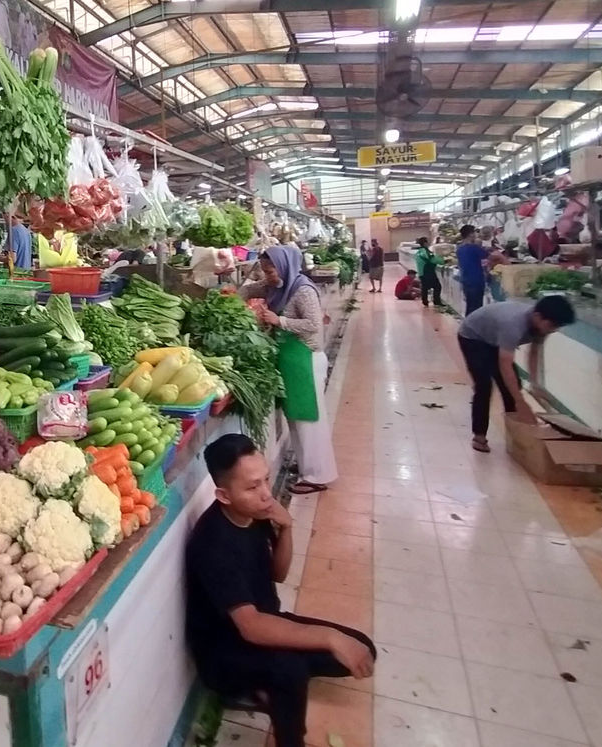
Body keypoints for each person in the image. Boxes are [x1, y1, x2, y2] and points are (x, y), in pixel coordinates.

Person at [185, 434, 375, 747]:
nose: (265, 494)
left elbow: (279, 574)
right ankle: (284, 730)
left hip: (265, 621)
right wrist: (329, 637)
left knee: (362, 646)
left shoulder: (256, 513)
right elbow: (251, 627)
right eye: (252, 486)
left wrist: (286, 529)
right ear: (223, 494)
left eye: (266, 480)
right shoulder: (213, 544)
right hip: (223, 652)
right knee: (290, 668)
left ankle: (267, 685)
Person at [240, 245, 337, 493]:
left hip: (305, 358)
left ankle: (316, 475)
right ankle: (307, 465)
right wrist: (234, 293)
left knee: (309, 419)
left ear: (284, 266)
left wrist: (279, 320)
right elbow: (252, 288)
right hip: (292, 359)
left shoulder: (302, 290)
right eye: (265, 271)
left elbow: (313, 325)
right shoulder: (277, 285)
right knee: (296, 417)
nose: (268, 277)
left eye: (271, 271)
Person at [458, 296, 576, 453]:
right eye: (552, 325)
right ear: (537, 316)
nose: (553, 330)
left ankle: (517, 437)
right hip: (473, 336)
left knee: (512, 389)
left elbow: (534, 353)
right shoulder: (513, 325)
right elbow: (504, 365)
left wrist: (535, 384)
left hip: (494, 339)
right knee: (484, 385)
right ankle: (479, 437)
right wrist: (520, 402)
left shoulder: (543, 324)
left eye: (556, 327)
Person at [456, 224, 490, 315]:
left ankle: (468, 326)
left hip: (466, 280)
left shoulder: (459, 249)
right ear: (471, 234)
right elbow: (487, 257)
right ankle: (474, 327)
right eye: (475, 232)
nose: (476, 234)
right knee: (477, 307)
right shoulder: (475, 248)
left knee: (470, 305)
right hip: (476, 280)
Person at [415, 236, 443, 307]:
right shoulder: (426, 251)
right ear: (425, 243)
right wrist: (444, 261)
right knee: (437, 286)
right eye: (427, 242)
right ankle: (436, 301)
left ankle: (425, 301)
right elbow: (433, 259)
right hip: (428, 272)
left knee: (425, 287)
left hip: (421, 272)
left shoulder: (418, 252)